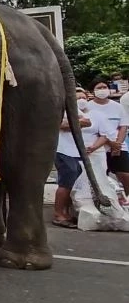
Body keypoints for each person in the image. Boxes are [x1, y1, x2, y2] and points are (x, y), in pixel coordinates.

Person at [52, 88, 105, 227]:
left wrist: (78, 123)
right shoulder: (62, 109)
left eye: (84, 97)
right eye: (78, 97)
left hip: (76, 152)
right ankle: (58, 214)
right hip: (63, 150)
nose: (82, 100)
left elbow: (88, 123)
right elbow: (61, 125)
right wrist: (79, 123)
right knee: (66, 181)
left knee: (74, 182)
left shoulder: (82, 112)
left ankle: (66, 212)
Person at [86, 81, 129, 194]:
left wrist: (118, 144)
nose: (102, 89)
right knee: (100, 176)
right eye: (99, 87)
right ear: (93, 91)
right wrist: (111, 143)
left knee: (125, 174)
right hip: (98, 146)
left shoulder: (118, 106)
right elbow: (96, 129)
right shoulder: (88, 107)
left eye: (105, 87)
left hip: (119, 146)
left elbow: (123, 126)